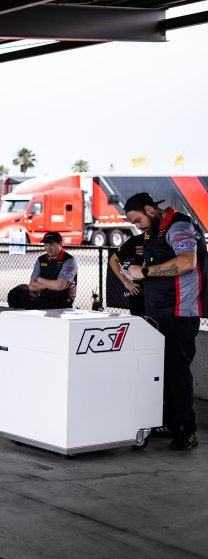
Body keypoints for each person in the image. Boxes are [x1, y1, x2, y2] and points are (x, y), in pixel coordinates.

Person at [123, 192, 205, 450]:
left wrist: (145, 271)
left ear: (150, 210)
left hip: (180, 313)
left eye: (138, 220)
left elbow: (187, 262)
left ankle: (186, 430)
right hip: (157, 313)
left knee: (177, 372)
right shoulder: (154, 231)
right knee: (162, 372)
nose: (137, 226)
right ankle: (169, 422)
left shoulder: (179, 225)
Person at [7, 231, 78, 309]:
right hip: (44, 298)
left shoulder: (69, 260)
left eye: (52, 244)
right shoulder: (41, 259)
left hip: (63, 301)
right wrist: (53, 285)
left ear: (60, 244)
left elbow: (59, 286)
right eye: (46, 245)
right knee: (15, 294)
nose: (48, 248)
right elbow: (32, 286)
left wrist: (40, 280)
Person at [108, 232, 146, 316]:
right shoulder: (135, 240)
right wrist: (126, 282)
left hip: (160, 295)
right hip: (139, 293)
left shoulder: (164, 239)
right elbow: (113, 260)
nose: (139, 226)